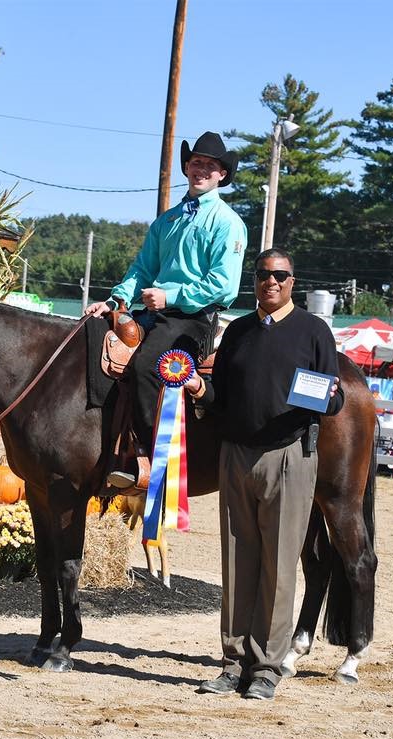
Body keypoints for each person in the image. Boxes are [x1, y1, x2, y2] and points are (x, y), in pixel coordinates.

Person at [182, 248, 343, 701]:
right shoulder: (238, 331)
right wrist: (199, 387)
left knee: (278, 565)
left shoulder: (314, 331)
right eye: (262, 275)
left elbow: (333, 400)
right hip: (235, 456)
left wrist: (326, 398)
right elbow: (222, 395)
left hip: (288, 456)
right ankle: (233, 661)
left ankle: (268, 666)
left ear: (293, 281)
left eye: (279, 275)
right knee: (237, 562)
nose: (269, 281)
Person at [84, 131, 247, 488]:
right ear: (187, 167)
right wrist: (114, 300)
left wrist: (171, 297)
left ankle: (148, 458)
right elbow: (142, 267)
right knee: (96, 343)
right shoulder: (166, 221)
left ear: (222, 174)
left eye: (210, 165)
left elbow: (224, 285)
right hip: (153, 312)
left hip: (194, 318)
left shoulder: (228, 223)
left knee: (146, 367)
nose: (201, 169)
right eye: (196, 163)